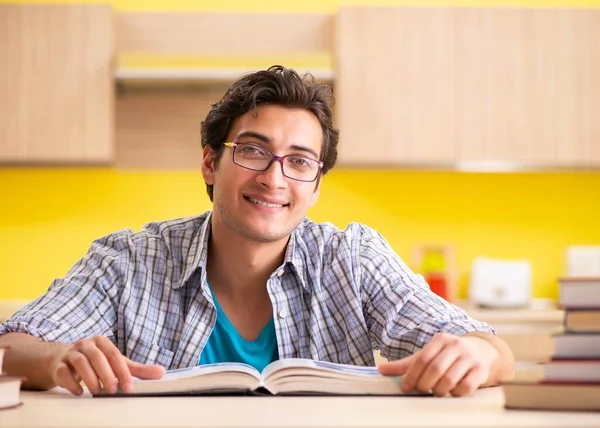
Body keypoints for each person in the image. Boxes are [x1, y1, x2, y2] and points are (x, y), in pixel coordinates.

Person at [0, 65, 514, 398]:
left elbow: (492, 349)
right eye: (252, 150)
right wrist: (58, 358)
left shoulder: (352, 258)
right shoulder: (129, 260)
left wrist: (475, 355)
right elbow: (11, 346)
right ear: (209, 163)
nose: (273, 178)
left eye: (299, 161)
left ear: (315, 186)